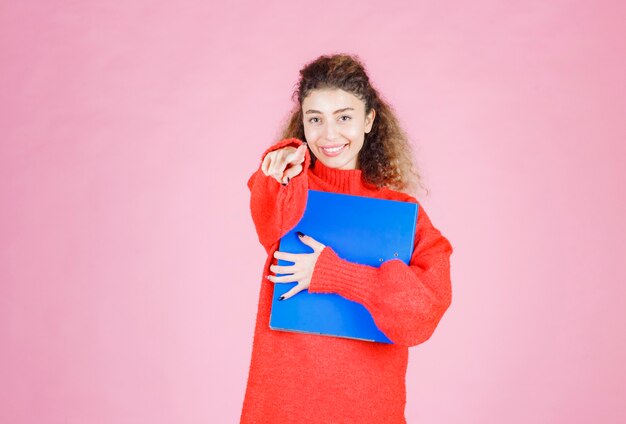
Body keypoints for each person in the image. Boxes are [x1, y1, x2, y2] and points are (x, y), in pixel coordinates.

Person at [240, 53, 453, 423]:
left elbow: (420, 317)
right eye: (315, 119)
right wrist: (280, 163)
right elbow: (266, 209)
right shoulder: (290, 189)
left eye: (344, 117)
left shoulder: (405, 215)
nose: (329, 134)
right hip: (282, 407)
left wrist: (334, 274)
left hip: (368, 410)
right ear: (302, 124)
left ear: (369, 119)